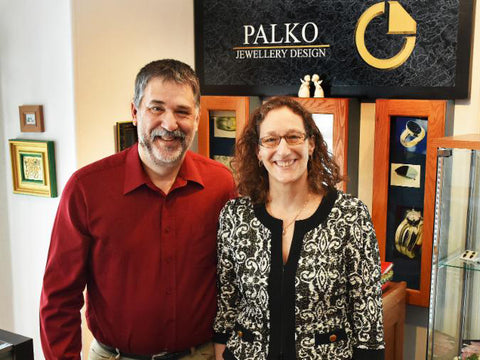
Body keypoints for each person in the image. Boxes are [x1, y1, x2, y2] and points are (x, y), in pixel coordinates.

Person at [40, 59, 236, 360]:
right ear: (134, 112)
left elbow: (233, 280)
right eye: (156, 108)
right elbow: (58, 300)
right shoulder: (86, 189)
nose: (170, 125)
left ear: (197, 118)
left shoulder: (220, 184)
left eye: (182, 111)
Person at [213, 97, 384, 360]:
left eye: (293, 137)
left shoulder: (350, 215)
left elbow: (368, 315)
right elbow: (227, 303)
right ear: (258, 150)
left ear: (311, 144)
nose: (282, 150)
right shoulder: (235, 217)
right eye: (270, 139)